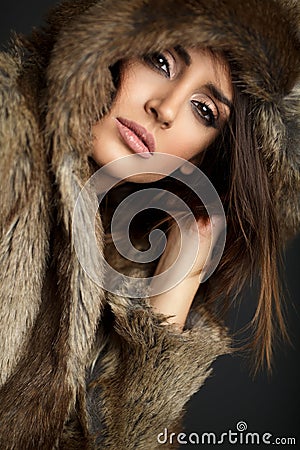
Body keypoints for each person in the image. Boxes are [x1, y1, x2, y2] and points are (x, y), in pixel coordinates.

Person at [0, 0, 299, 448]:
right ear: (109, 44)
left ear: (201, 156)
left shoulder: (122, 262)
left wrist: (166, 314)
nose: (166, 108)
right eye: (161, 60)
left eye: (204, 110)